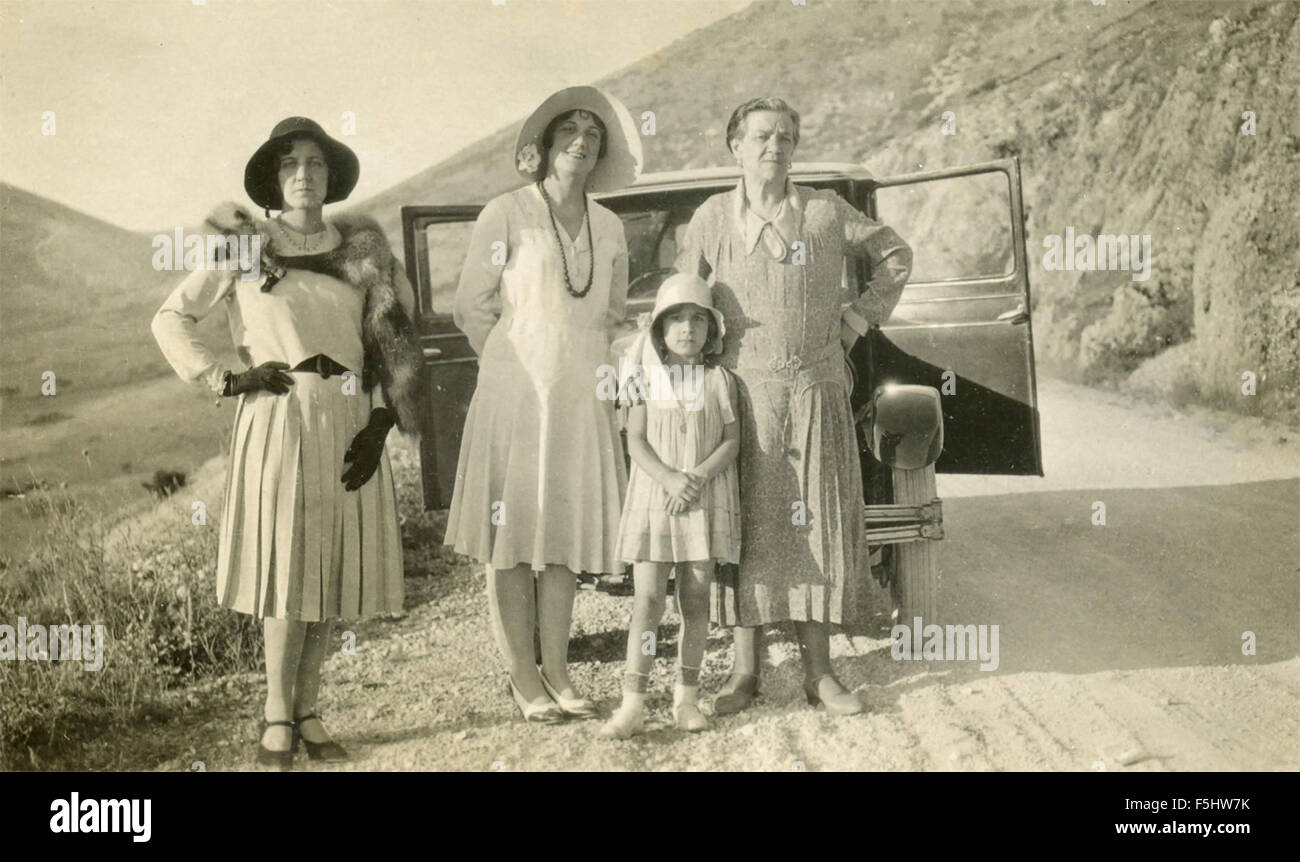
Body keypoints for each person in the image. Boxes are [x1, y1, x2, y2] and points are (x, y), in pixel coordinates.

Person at [151, 117, 422, 768]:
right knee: (286, 567)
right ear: (276, 181)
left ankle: (310, 710)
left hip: (351, 417)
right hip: (279, 414)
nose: (305, 174)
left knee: (328, 565)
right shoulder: (246, 246)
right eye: (292, 165)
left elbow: (397, 341)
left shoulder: (365, 251)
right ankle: (276, 712)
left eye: (317, 164)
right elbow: (170, 317)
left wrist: (383, 420)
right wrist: (226, 377)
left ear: (331, 177)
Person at [675, 97, 913, 716]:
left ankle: (820, 674)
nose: (773, 145)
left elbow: (896, 255)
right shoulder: (709, 220)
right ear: (735, 146)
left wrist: (857, 318)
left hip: (816, 392)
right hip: (742, 400)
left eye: (785, 135)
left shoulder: (827, 213)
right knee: (746, 531)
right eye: (760, 135)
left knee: (818, 530)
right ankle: (744, 675)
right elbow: (682, 297)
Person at [446, 86, 641, 722]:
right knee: (511, 536)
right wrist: (511, 359)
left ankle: (558, 670)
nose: (581, 141)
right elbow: (470, 304)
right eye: (570, 131)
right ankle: (522, 676)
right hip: (515, 393)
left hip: (582, 393)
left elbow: (611, 316)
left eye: (593, 133)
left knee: (560, 535)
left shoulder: (610, 225)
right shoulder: (505, 213)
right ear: (546, 146)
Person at [599, 274, 741, 739]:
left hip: (700, 500)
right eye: (676, 319)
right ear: (659, 330)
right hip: (655, 500)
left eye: (698, 319)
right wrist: (669, 479)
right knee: (647, 601)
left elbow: (731, 440)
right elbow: (635, 441)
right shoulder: (642, 377)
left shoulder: (719, 380)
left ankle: (687, 698)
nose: (687, 328)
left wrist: (695, 478)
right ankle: (633, 703)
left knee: (696, 600)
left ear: (711, 331)